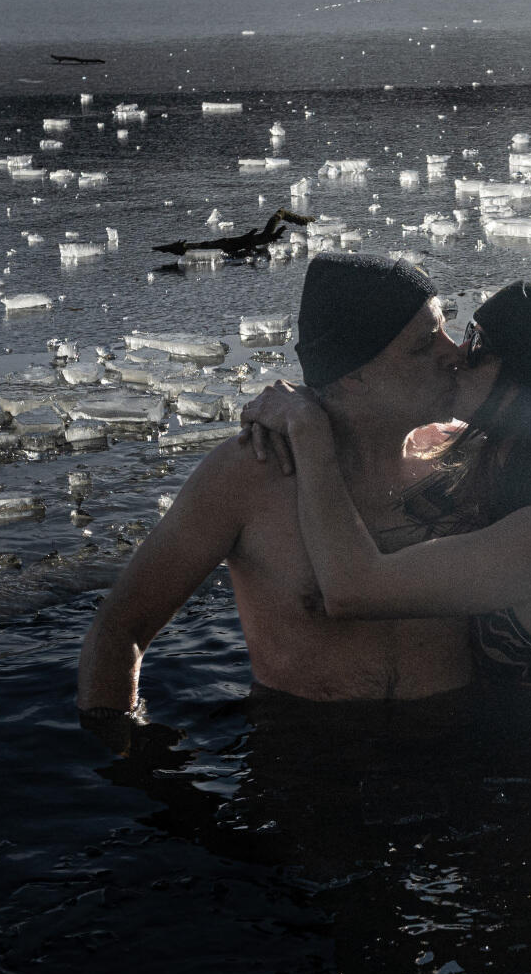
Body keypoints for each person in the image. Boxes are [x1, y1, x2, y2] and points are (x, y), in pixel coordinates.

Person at [75, 254, 471, 728]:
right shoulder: (253, 473)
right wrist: (122, 760)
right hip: (301, 754)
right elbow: (121, 629)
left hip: (453, 747)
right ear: (354, 370)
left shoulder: (470, 460)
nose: (456, 352)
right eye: (425, 344)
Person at [238, 282, 531, 692]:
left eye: (478, 344)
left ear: (529, 382)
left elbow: (352, 591)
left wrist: (308, 431)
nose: (458, 356)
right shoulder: (526, 454)